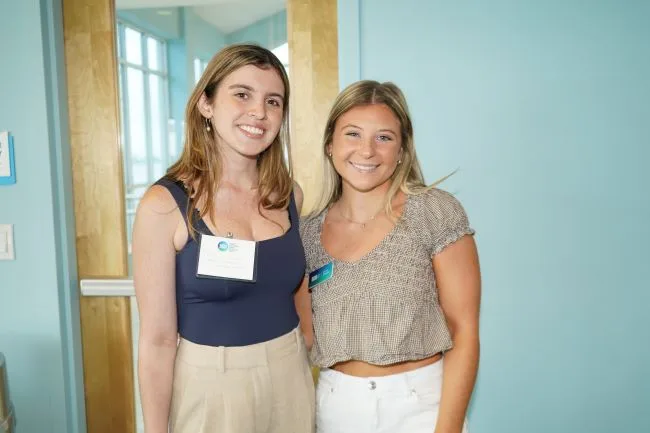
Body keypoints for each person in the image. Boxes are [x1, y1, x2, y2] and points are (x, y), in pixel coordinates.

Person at [132, 44, 315, 433]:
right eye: (242, 94)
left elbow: (298, 293)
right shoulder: (165, 205)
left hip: (291, 374)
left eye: (273, 101)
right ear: (206, 104)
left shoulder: (289, 196)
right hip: (212, 385)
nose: (259, 112)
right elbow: (157, 341)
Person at [296, 80, 481, 433]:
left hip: (422, 409)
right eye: (352, 134)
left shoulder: (434, 212)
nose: (366, 151)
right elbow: (303, 338)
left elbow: (465, 330)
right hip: (335, 409)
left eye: (383, 137)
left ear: (402, 149)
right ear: (330, 144)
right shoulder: (306, 233)